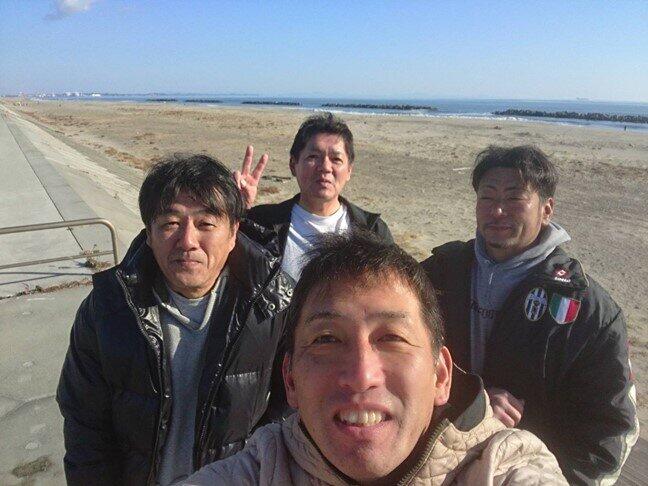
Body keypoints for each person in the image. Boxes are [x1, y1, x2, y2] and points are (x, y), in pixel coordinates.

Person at [184, 231, 567, 485]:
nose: (361, 374)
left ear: (441, 376)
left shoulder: (500, 467)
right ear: (290, 380)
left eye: (393, 338)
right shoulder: (261, 469)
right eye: (327, 339)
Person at [56, 154, 293, 485]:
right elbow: (85, 426)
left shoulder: (273, 305)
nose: (187, 241)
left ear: (234, 232)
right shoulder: (107, 310)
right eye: (170, 224)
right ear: (150, 234)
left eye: (206, 224)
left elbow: (293, 406)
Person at [421, 145, 639, 485]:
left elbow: (610, 430)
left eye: (513, 199)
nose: (497, 210)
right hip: (437, 463)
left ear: (547, 209)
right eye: (486, 197)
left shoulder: (588, 309)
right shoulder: (440, 272)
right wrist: (469, 399)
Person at [240, 112, 393, 281]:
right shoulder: (261, 224)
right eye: (313, 157)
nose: (325, 167)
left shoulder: (373, 232)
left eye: (336, 159)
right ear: (293, 165)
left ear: (349, 170)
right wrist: (237, 211)